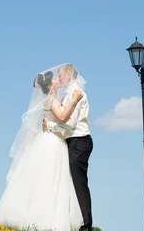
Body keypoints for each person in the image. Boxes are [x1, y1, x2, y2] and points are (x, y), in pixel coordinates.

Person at [0, 66, 83, 231]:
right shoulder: (51, 99)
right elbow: (62, 117)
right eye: (55, 79)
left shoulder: (55, 98)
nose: (58, 79)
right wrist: (74, 101)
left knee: (52, 181)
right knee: (49, 181)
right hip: (52, 143)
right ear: (49, 86)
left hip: (53, 140)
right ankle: (45, 221)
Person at [45, 63, 93, 231]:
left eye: (61, 75)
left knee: (79, 184)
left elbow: (70, 123)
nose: (59, 78)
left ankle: (86, 226)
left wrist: (51, 126)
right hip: (73, 141)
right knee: (72, 183)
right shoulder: (68, 94)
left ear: (69, 75)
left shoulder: (76, 93)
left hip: (79, 141)